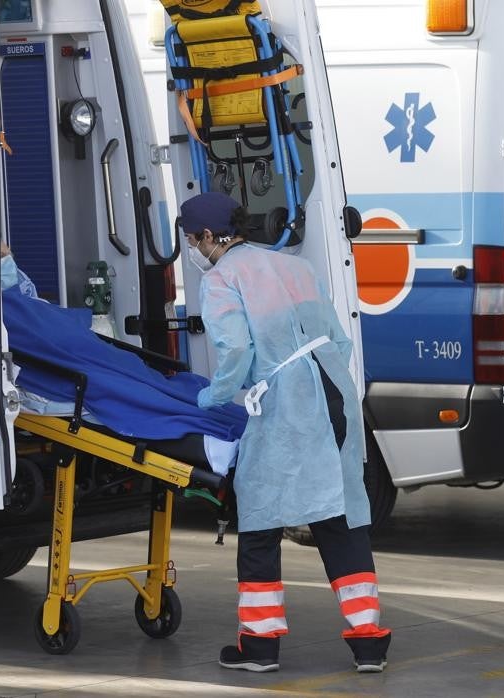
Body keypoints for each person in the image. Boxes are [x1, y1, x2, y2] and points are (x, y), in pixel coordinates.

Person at [181, 191, 391, 674]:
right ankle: (369, 644)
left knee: (260, 519)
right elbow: (339, 339)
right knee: (339, 514)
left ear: (210, 237)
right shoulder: (295, 266)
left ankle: (259, 647)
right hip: (335, 390)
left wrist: (209, 398)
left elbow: (234, 353)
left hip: (290, 402)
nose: (193, 249)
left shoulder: (221, 280)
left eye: (193, 240)